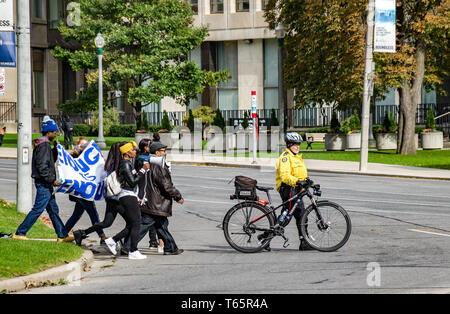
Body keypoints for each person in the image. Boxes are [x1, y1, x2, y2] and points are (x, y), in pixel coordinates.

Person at [13, 118, 74, 242]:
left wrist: (56, 149)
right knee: (38, 209)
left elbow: (49, 159)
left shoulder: (44, 145)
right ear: (48, 132)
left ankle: (62, 235)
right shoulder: (43, 145)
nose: (56, 134)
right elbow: (42, 166)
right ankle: (20, 232)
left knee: (53, 210)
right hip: (44, 183)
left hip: (46, 183)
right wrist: (52, 180)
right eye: (55, 132)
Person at [124, 141, 184, 255]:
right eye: (163, 151)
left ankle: (170, 248)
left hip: (152, 202)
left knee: (161, 226)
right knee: (145, 225)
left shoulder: (149, 163)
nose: (165, 153)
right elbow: (166, 186)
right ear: (156, 152)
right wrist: (178, 197)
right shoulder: (158, 166)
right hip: (156, 203)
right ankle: (127, 247)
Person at [73, 141, 128, 246]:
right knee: (133, 222)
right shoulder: (119, 164)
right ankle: (121, 243)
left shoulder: (110, 163)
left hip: (111, 198)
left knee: (107, 223)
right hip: (118, 198)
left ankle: (82, 233)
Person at [103, 141, 150, 260]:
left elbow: (133, 180)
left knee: (133, 223)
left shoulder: (128, 163)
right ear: (127, 152)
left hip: (130, 196)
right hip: (127, 196)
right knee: (136, 223)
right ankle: (133, 251)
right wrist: (143, 170)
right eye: (133, 150)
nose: (135, 151)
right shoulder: (125, 164)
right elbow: (132, 182)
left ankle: (113, 240)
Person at [274, 132, 313, 251]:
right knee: (286, 216)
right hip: (288, 189)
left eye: (299, 144)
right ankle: (265, 238)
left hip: (296, 190)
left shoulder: (296, 157)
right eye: (295, 144)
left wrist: (307, 181)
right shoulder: (285, 157)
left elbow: (299, 173)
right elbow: (285, 176)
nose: (298, 146)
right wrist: (298, 182)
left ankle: (304, 242)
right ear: (289, 144)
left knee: (301, 215)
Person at [64, 137, 106, 244]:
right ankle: (102, 236)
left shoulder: (90, 157)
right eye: (82, 145)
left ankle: (62, 233)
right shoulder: (74, 157)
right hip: (81, 192)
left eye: (86, 145)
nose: (84, 147)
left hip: (85, 191)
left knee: (76, 215)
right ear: (78, 146)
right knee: (93, 213)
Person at [134, 138, 162, 252]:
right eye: (150, 145)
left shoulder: (146, 157)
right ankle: (127, 242)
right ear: (145, 147)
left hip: (147, 189)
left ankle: (153, 242)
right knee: (145, 219)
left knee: (150, 217)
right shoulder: (142, 158)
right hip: (143, 190)